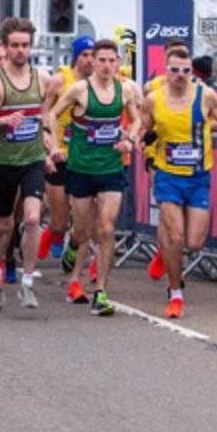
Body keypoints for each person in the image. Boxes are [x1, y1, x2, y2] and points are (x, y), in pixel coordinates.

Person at [45, 40, 142, 316]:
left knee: (107, 227)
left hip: (111, 167)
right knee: (82, 229)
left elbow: (135, 119)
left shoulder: (124, 90)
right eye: (103, 60)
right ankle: (73, 246)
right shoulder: (79, 89)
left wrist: (130, 139)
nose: (108, 66)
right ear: (94, 62)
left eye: (113, 61)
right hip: (82, 167)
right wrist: (54, 146)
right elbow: (52, 114)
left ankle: (100, 291)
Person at [140, 45, 217, 319]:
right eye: (175, 70)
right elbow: (144, 128)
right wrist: (145, 145)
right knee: (176, 237)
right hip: (168, 176)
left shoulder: (205, 96)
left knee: (194, 243)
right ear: (166, 71)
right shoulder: (154, 99)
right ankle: (176, 292)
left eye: (185, 71)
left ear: (192, 72)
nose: (180, 75)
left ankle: (165, 252)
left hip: (198, 176)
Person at [0, 17, 54, 311]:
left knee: (33, 218)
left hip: (32, 159)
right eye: (15, 45)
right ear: (5, 47)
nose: (20, 50)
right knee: (2, 224)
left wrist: (49, 140)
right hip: (3, 161)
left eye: (25, 45)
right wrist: (4, 120)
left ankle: (28, 283)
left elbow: (47, 116)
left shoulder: (43, 78)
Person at [41, 35, 95, 265]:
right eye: (84, 55)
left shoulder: (100, 82)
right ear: (75, 57)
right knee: (59, 222)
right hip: (60, 153)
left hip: (85, 156)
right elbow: (44, 112)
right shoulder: (60, 80)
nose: (89, 60)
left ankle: (74, 251)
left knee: (85, 220)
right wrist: (49, 144)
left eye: (93, 55)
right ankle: (50, 235)